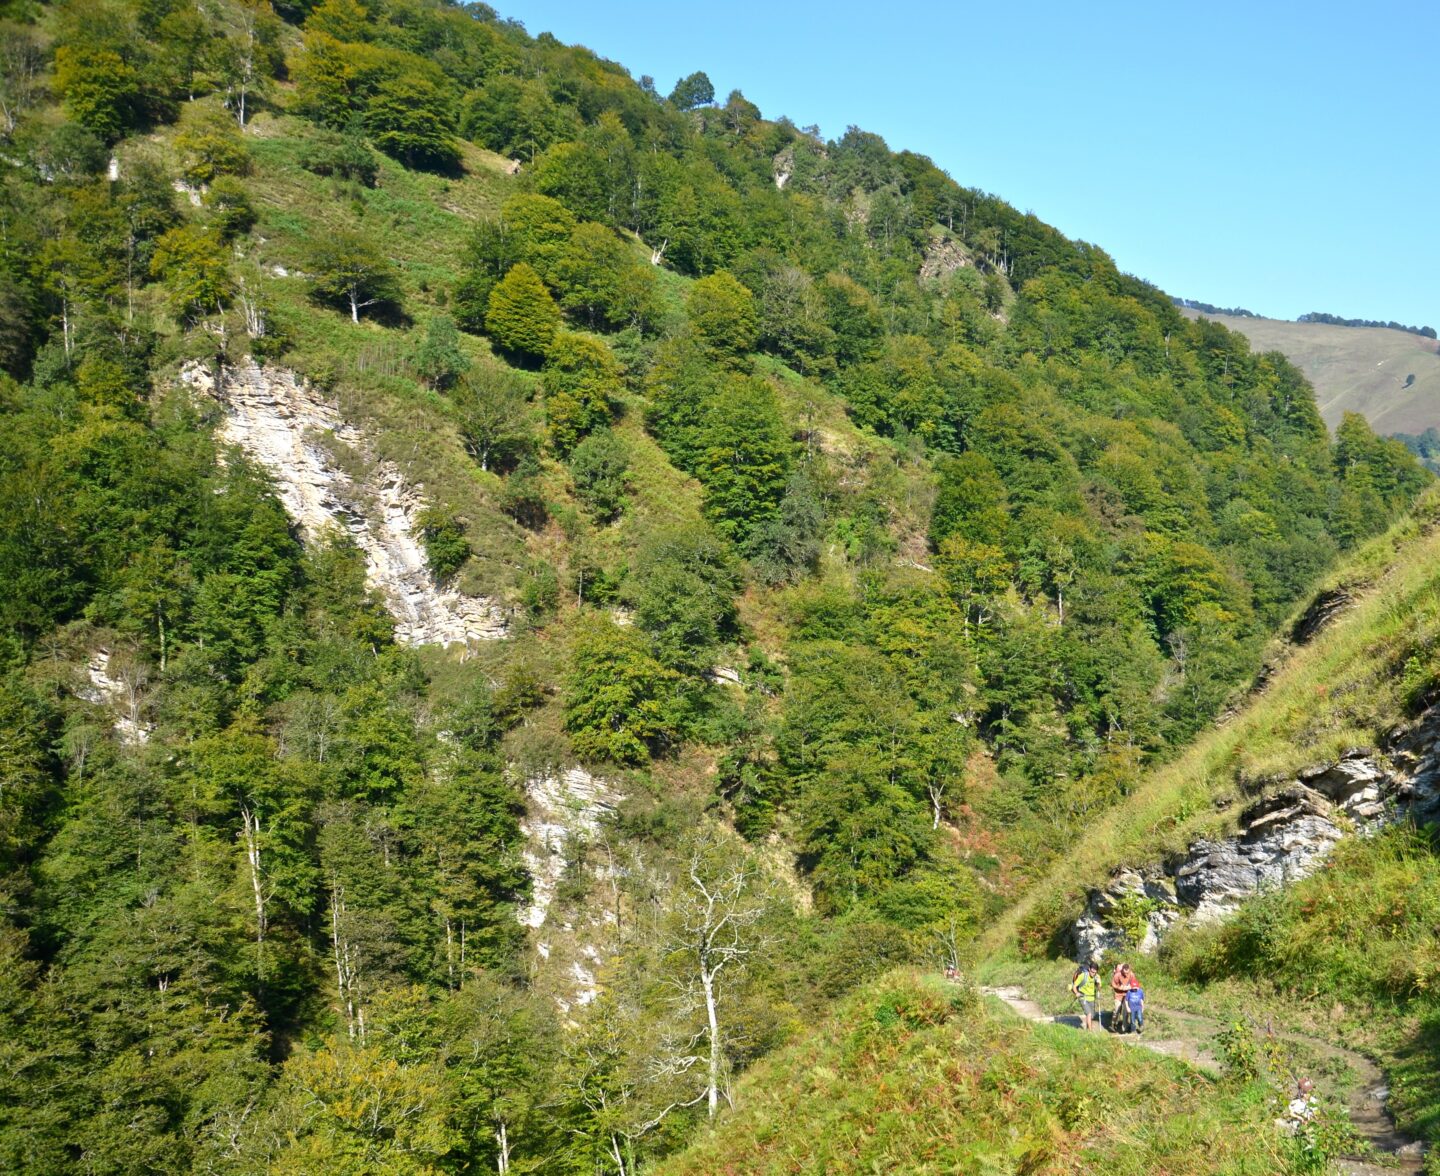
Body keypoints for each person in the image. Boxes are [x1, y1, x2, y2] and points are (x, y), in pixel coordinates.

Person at [1070, 961, 1101, 1030]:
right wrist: (1076, 993)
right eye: (1092, 972)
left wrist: (1098, 983)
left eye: (1095, 972)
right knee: (1089, 1014)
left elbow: (1099, 989)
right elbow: (1074, 986)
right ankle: (1090, 1031)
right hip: (1083, 997)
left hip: (1092, 998)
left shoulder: (1097, 977)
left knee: (1091, 1016)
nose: (1093, 974)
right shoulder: (1083, 976)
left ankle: (1088, 1029)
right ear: (1089, 969)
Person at [1110, 962, 1135, 1032]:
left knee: (1126, 1011)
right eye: (1125, 973)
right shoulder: (1117, 975)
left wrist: (1130, 987)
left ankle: (1124, 1027)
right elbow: (1113, 984)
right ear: (1122, 970)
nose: (1126, 974)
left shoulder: (1131, 975)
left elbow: (1134, 984)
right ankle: (1113, 1023)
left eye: (1127, 973)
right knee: (1117, 1010)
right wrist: (1119, 987)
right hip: (1118, 994)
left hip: (1127, 994)